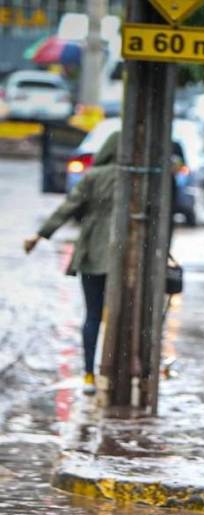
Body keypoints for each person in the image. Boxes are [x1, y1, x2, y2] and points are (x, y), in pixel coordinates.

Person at [24, 131, 120, 396]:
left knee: (92, 315)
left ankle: (89, 373)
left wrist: (40, 234)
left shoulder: (93, 177)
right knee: (121, 317)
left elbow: (67, 207)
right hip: (125, 258)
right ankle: (115, 372)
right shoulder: (134, 178)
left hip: (92, 253)